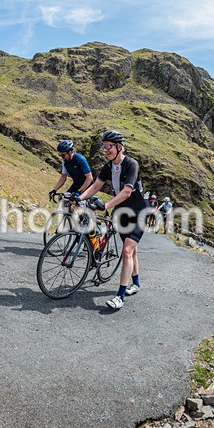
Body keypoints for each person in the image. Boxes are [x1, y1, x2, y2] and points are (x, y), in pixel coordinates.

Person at [77, 129, 148, 310]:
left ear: (119, 147)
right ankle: (136, 283)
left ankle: (120, 296)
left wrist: (106, 206)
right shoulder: (108, 167)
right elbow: (95, 186)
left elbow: (126, 191)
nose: (105, 150)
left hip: (139, 211)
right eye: (104, 146)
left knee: (127, 251)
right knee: (131, 250)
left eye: (108, 146)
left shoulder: (131, 164)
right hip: (122, 211)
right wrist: (79, 198)